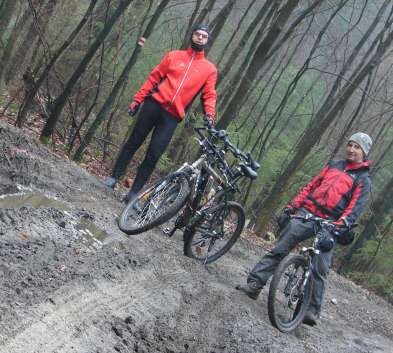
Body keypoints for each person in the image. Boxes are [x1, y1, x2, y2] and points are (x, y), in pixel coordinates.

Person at [236, 133, 373, 326]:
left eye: (357, 147)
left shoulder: (363, 179)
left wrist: (337, 229)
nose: (351, 149)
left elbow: (354, 209)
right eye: (350, 145)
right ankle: (254, 284)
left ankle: (311, 310)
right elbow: (311, 186)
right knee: (280, 248)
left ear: (364, 152)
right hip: (309, 211)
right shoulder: (334, 165)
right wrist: (292, 207)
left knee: (320, 266)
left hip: (332, 222)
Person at [101, 24, 217, 203]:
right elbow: (154, 78)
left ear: (207, 40)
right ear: (192, 35)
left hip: (172, 116)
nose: (200, 38)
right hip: (153, 105)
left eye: (204, 36)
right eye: (197, 34)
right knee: (133, 142)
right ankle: (114, 178)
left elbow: (209, 95)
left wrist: (209, 115)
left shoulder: (209, 69)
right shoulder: (174, 56)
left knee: (153, 155)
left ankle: (133, 194)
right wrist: (137, 100)